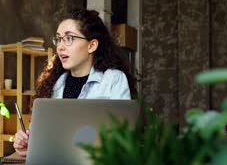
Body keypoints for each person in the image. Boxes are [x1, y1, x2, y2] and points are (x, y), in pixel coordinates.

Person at [13, 9, 137, 157]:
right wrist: (29, 145)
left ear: (92, 45)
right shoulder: (54, 84)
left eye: (69, 38)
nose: (60, 47)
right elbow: (46, 140)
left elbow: (123, 139)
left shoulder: (113, 80)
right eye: (59, 39)